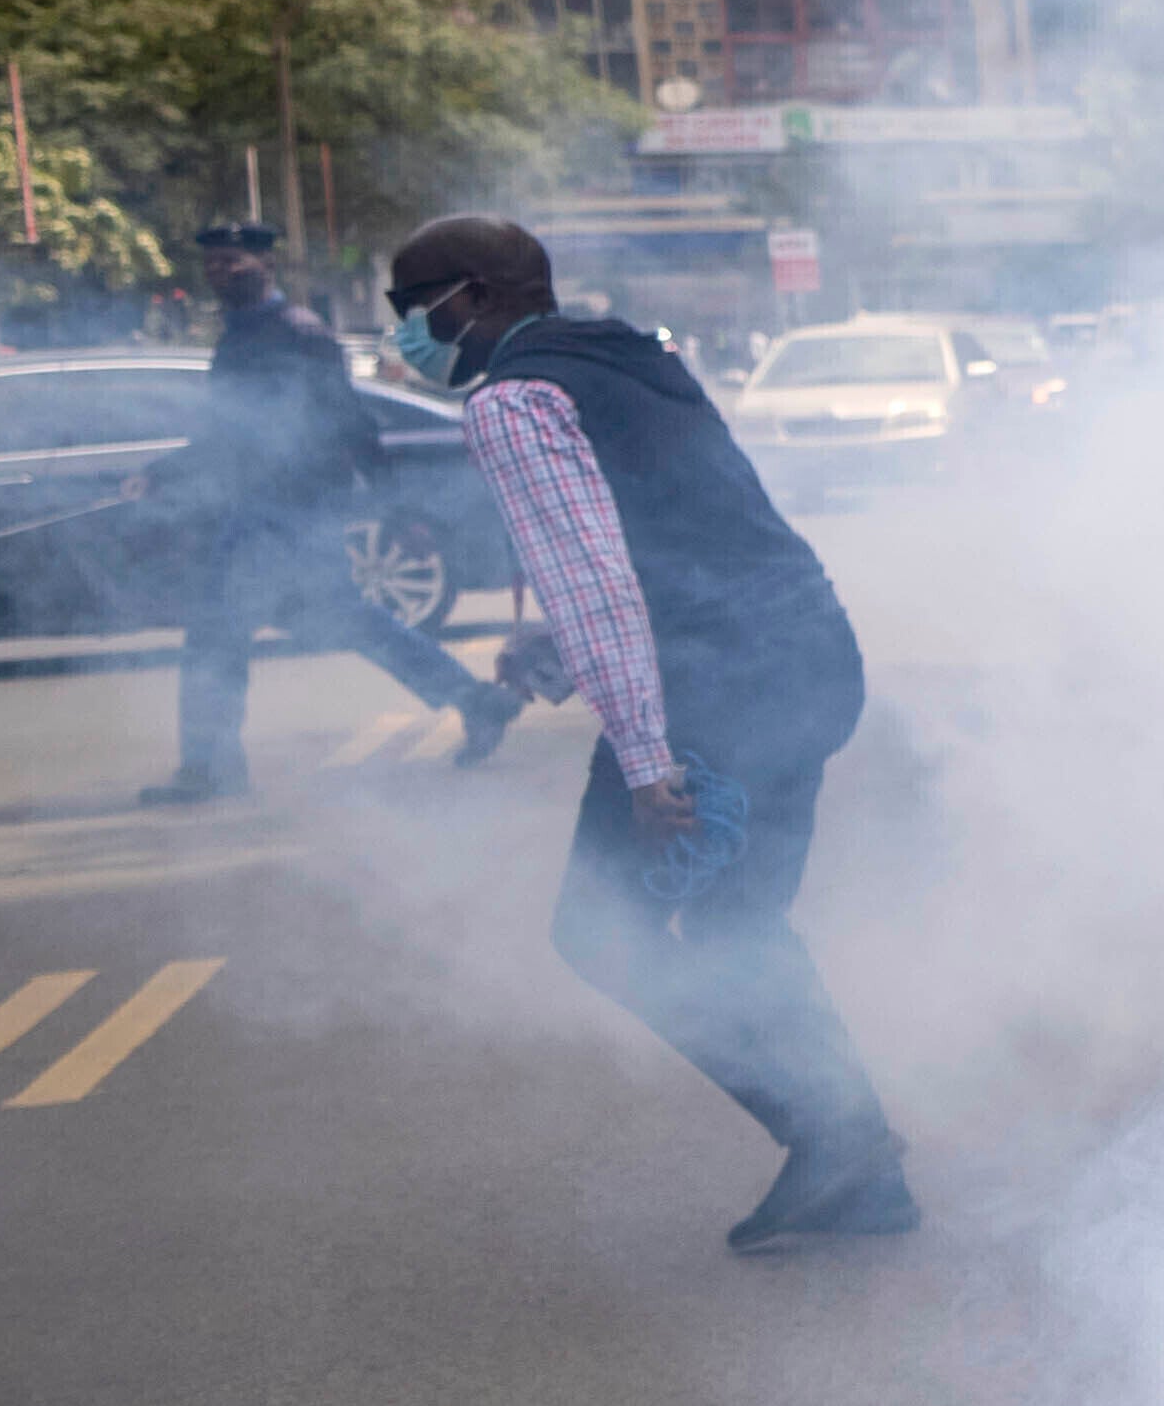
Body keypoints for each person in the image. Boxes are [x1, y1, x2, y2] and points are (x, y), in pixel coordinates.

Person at [376, 214, 914, 1250]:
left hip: (719, 693)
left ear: (475, 295)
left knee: (611, 930)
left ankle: (840, 1141)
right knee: (733, 922)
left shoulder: (514, 398)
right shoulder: (629, 353)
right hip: (801, 656)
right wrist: (557, 659)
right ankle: (853, 1161)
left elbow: (601, 588)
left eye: (412, 307)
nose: (404, 330)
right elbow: (671, 528)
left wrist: (647, 761)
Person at [137, 217, 518, 802]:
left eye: (232, 261)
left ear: (266, 264)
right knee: (348, 620)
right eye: (213, 263)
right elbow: (229, 434)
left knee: (216, 635)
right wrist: (162, 474)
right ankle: (478, 702)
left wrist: (393, 506)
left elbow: (348, 421)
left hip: (289, 511)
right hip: (273, 509)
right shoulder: (242, 333)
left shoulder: (296, 332)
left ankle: (210, 770)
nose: (220, 273)